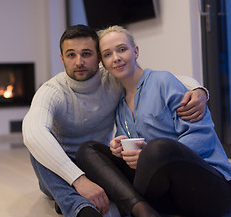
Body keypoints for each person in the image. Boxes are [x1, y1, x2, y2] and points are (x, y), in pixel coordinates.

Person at [22, 25, 208, 217]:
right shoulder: (52, 91)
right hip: (58, 172)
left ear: (99, 58)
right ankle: (81, 208)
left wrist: (199, 90)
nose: (79, 62)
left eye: (86, 53)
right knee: (37, 147)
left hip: (95, 165)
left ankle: (84, 199)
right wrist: (78, 180)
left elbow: (164, 79)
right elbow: (32, 131)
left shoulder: (111, 78)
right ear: (62, 58)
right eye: (71, 55)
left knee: (90, 151)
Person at [75, 25, 231, 217]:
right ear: (103, 64)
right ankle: (142, 210)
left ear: (136, 51)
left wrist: (150, 158)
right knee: (87, 150)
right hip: (167, 194)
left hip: (209, 188)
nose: (116, 58)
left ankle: (126, 205)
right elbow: (135, 149)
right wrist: (119, 149)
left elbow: (202, 136)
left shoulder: (163, 81)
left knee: (157, 149)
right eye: (107, 54)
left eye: (122, 49)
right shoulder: (121, 105)